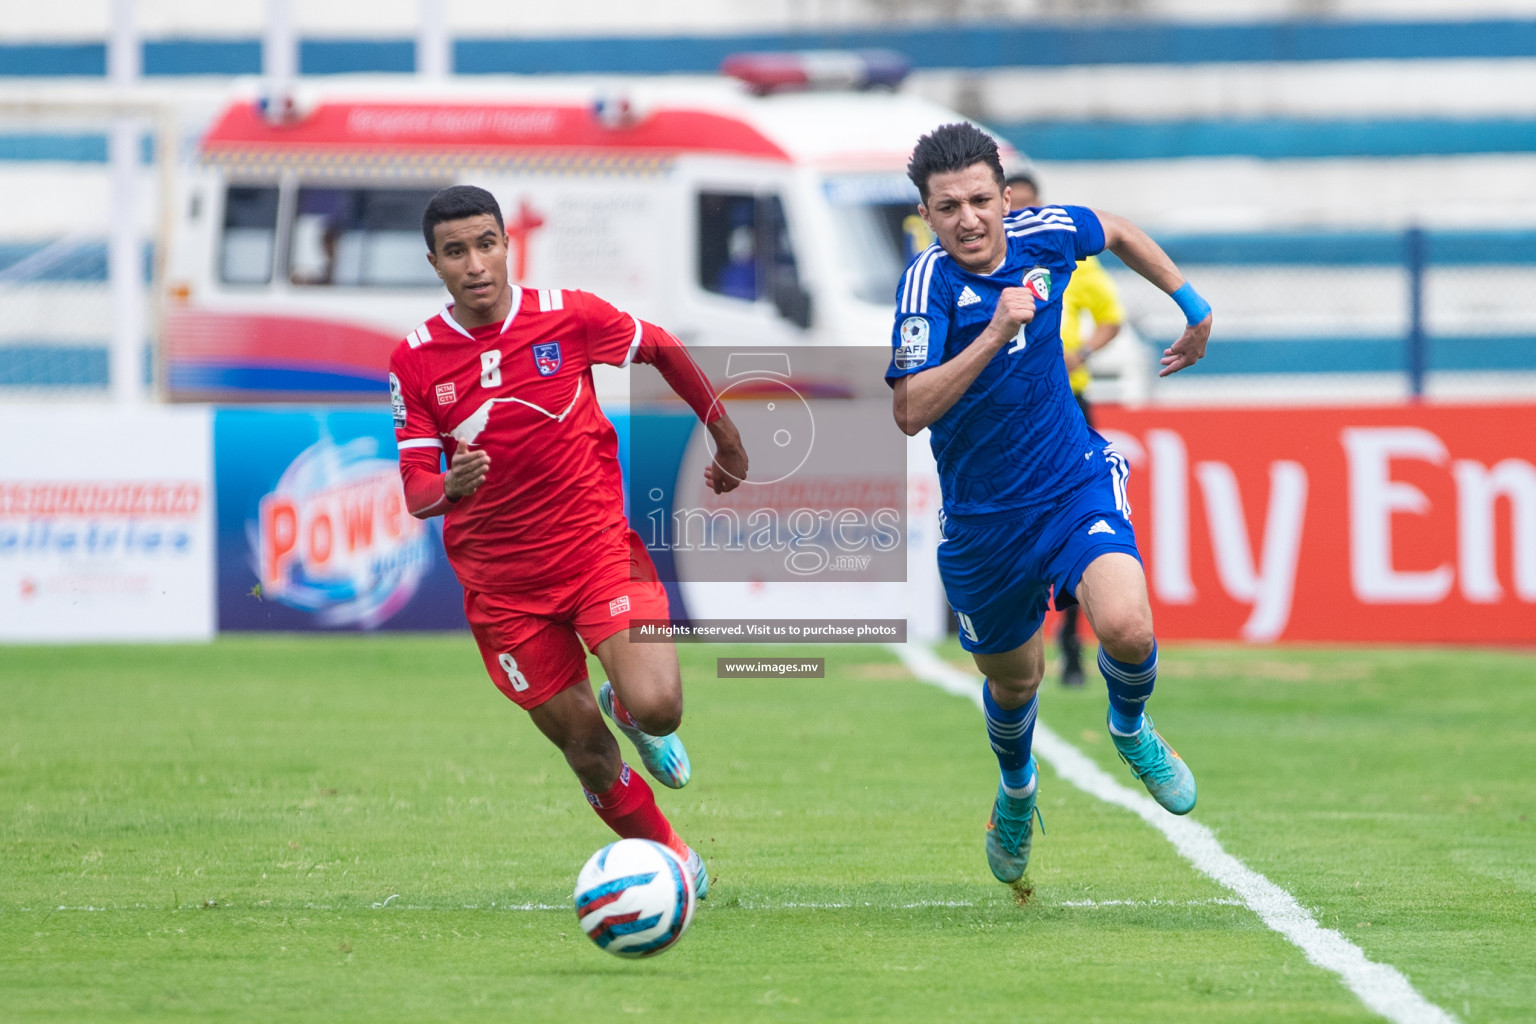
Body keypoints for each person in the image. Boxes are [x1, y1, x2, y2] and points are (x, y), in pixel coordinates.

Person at [389, 185, 748, 902]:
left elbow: (663, 348)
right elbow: (416, 490)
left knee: (659, 708)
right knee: (584, 750)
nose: (476, 263)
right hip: (505, 593)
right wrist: (450, 488)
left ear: (506, 245)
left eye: (486, 243)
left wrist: (726, 435)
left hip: (594, 552)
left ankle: (627, 705)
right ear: (435, 263)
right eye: (456, 251)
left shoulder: (567, 317)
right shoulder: (417, 360)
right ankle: (670, 855)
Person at [888, 124, 1212, 885]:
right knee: (1015, 681)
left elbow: (1121, 231)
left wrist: (1193, 308)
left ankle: (1131, 729)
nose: (967, 219)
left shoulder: (1048, 232)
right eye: (947, 207)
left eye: (978, 200)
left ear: (1004, 198)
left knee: (1128, 628)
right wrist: (996, 328)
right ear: (928, 217)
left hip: (1071, 483)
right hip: (982, 521)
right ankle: (1016, 789)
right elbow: (908, 410)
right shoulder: (925, 288)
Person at [1006, 170, 1127, 689]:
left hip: (1068, 404)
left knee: (1080, 518)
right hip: (1010, 413)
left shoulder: (1067, 259)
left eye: (1030, 209)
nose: (1021, 219)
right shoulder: (982, 266)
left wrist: (1083, 351)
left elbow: (1110, 317)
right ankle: (1018, 637)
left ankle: (1073, 642)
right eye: (1014, 210)